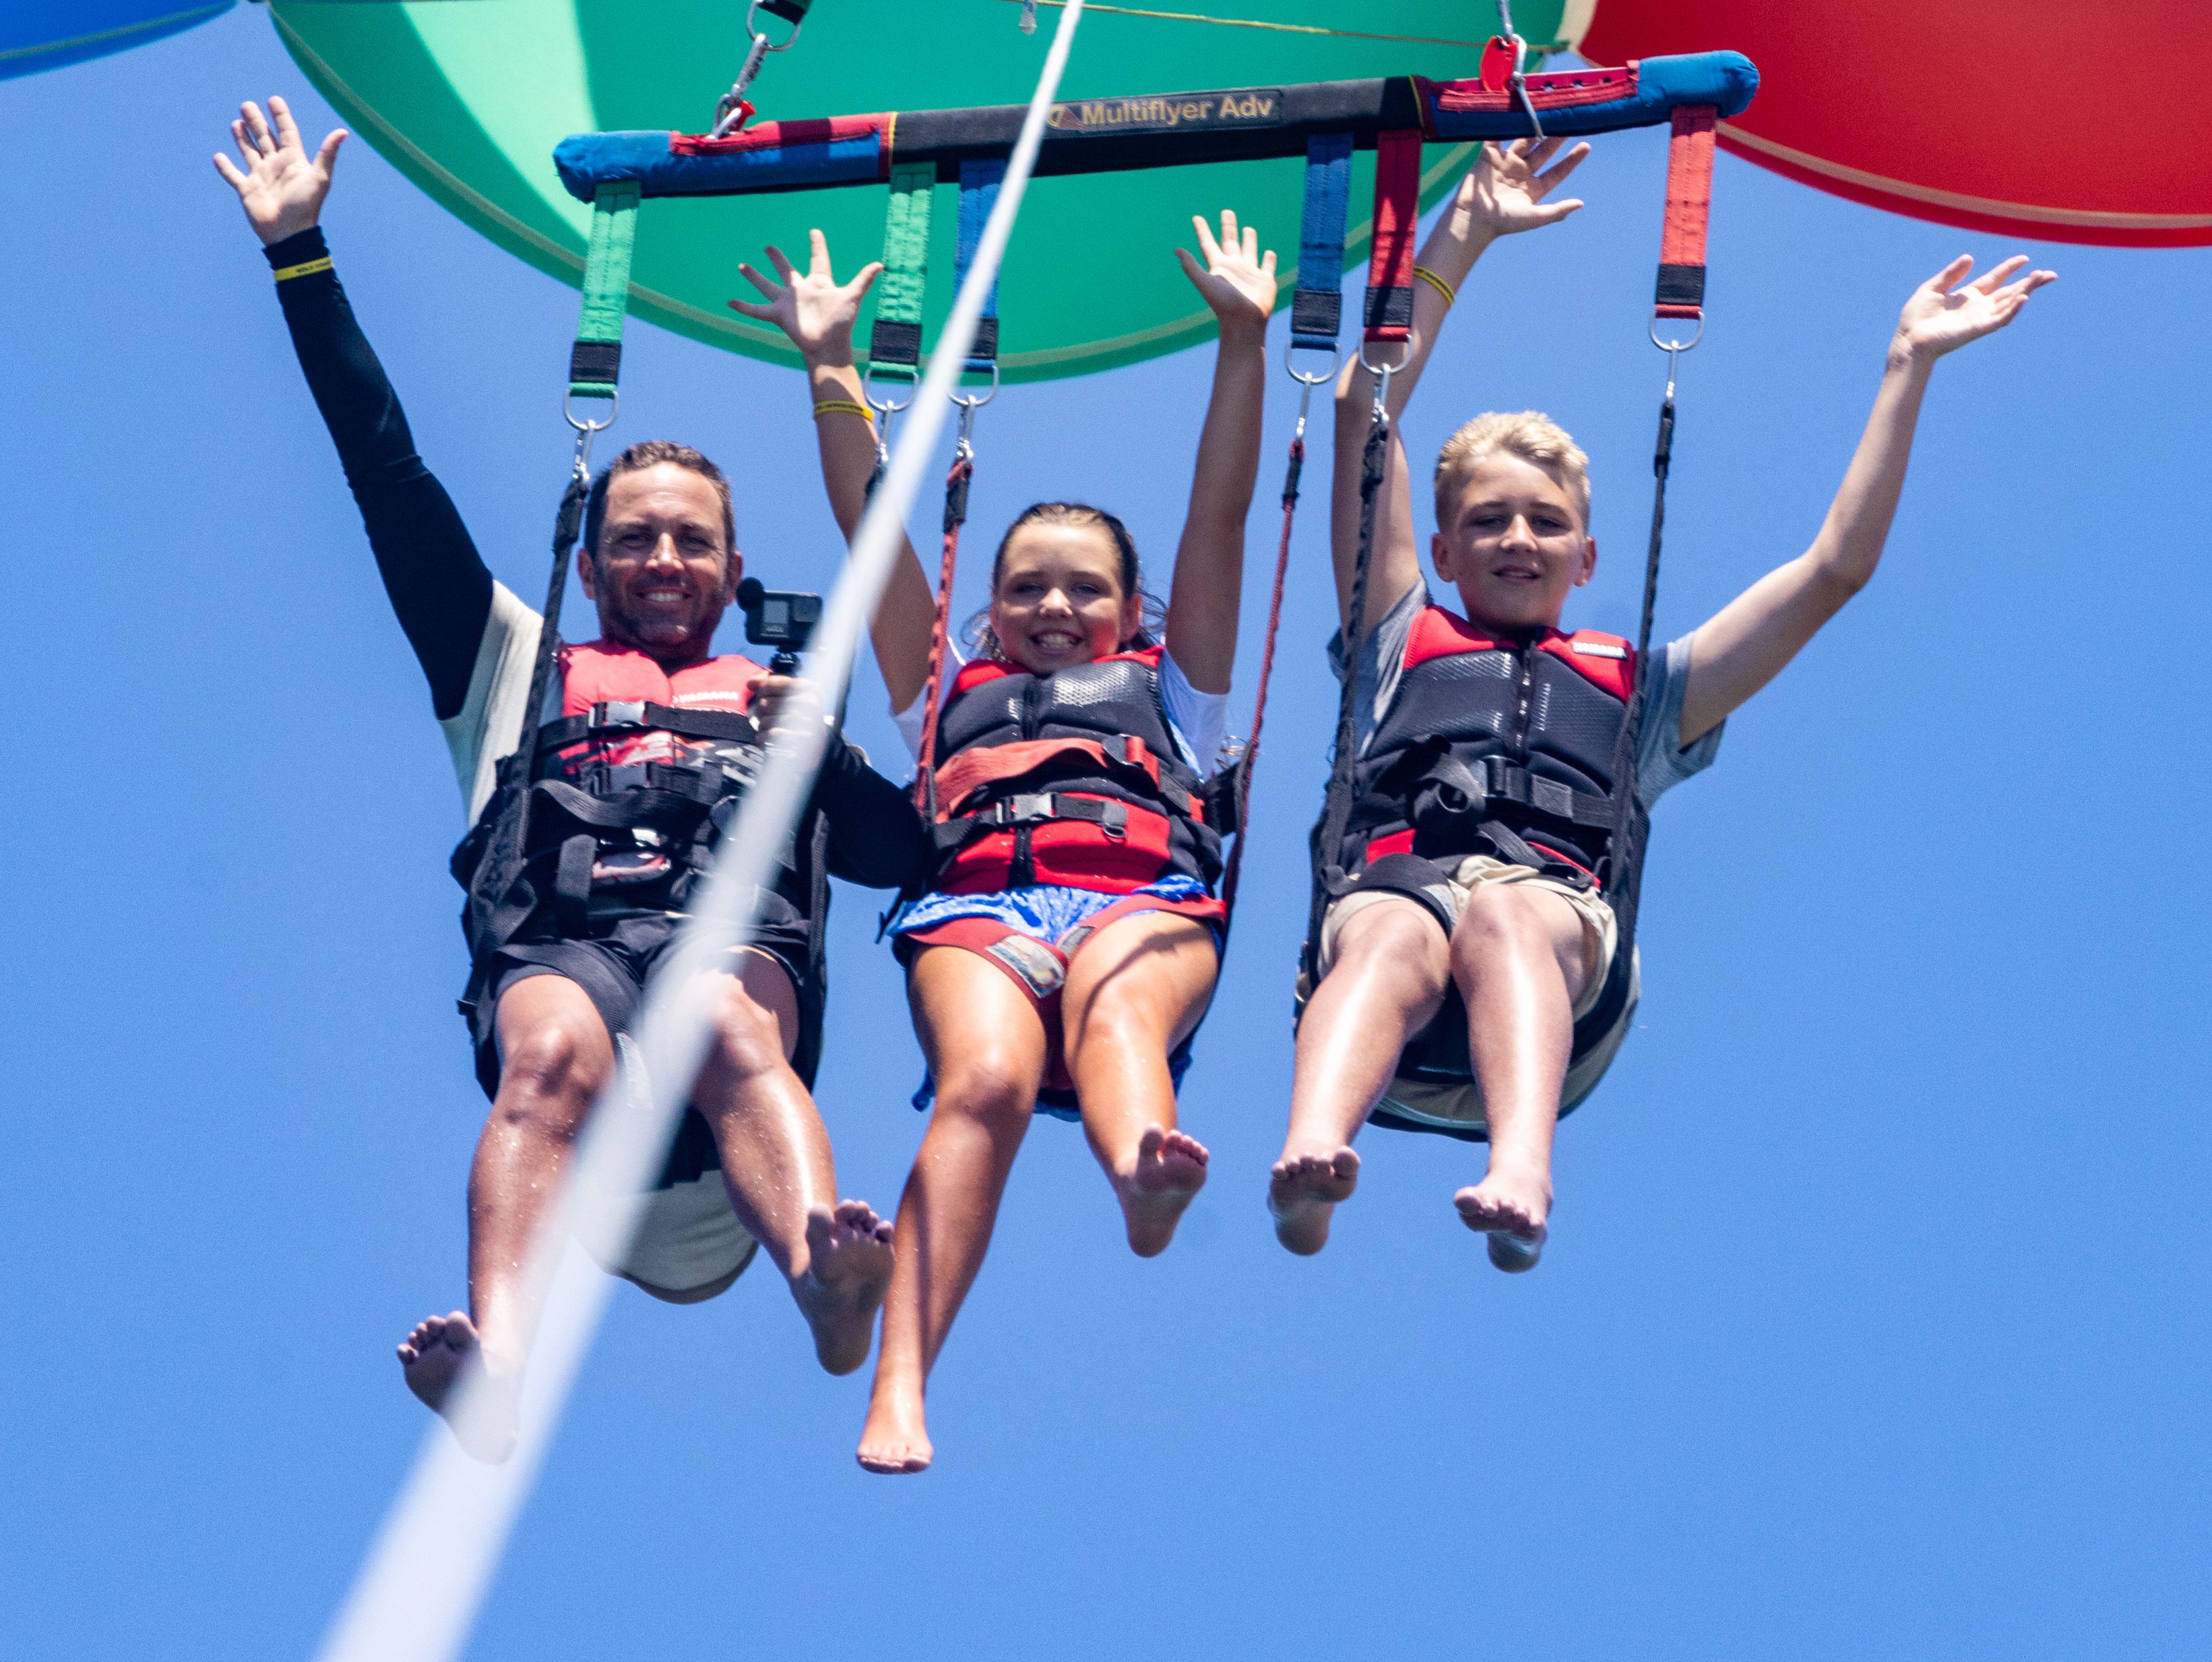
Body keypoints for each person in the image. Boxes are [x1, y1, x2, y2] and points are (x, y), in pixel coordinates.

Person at [751, 137, 1594, 1472]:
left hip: (1147, 901)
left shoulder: (1182, 698)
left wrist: (1243, 345)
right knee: (977, 1080)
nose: (1050, 606)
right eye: (1026, 584)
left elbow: (1218, 516)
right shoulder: (939, 696)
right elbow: (877, 534)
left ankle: (1145, 1167)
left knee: (1119, 1001)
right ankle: (898, 1389)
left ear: (1130, 611)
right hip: (977, 906)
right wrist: (830, 370)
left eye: (1083, 587)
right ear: (992, 604)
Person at [213, 97, 918, 1460]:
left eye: (692, 544)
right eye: (636, 540)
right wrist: (300, 253)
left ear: (729, 569)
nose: (662, 560)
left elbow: (907, 855)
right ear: (590, 566)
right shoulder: (510, 664)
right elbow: (387, 476)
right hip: (579, 1053)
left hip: (728, 1145)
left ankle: (829, 1292)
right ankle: (504, 1366)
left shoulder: (779, 698)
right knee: (542, 1051)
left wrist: (814, 748)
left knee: (720, 1012)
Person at [1268, 228, 2053, 1269]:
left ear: (1586, 555)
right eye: (1489, 520)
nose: (1517, 539)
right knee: (1394, 929)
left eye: (1545, 523)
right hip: (1395, 909)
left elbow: (1832, 573)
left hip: (1554, 950)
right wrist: (1463, 240)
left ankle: (1522, 1170)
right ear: (1443, 549)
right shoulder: (1395, 640)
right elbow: (1363, 413)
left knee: (1506, 912)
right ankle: (1312, 1154)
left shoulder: (1647, 693)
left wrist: (1907, 365)